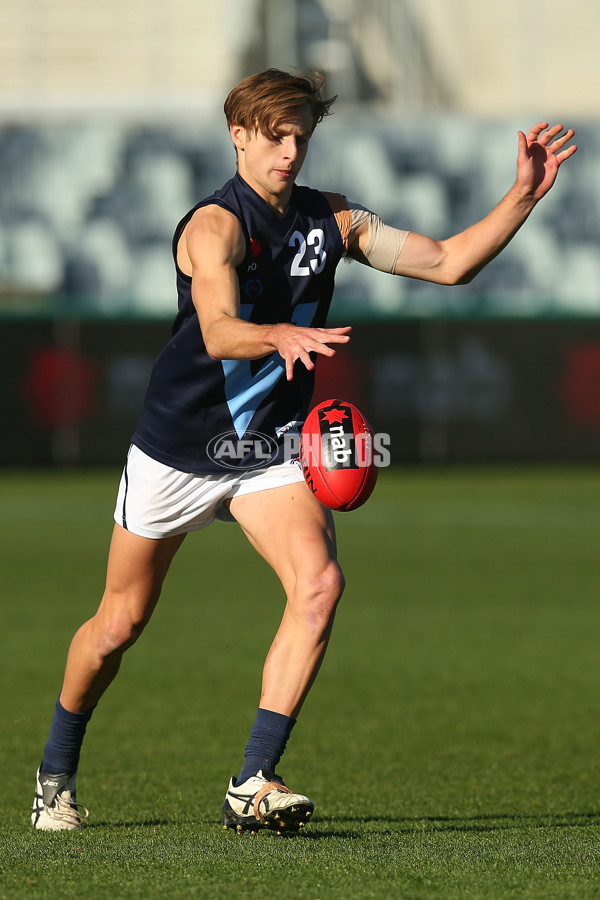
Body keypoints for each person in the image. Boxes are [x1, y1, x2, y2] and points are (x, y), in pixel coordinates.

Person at [31, 68, 577, 834]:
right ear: (238, 134)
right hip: (179, 448)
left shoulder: (335, 221)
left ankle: (252, 779)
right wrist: (278, 335)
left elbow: (448, 263)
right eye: (274, 135)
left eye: (300, 136)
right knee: (118, 624)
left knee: (319, 584)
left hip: (267, 451)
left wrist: (523, 195)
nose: (289, 151)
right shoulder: (212, 227)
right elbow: (218, 330)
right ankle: (56, 768)